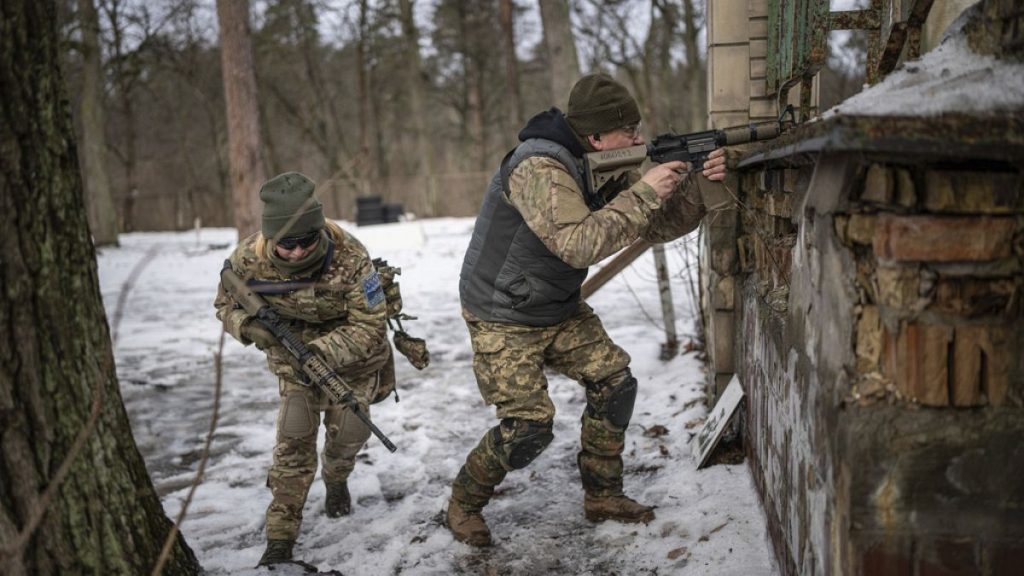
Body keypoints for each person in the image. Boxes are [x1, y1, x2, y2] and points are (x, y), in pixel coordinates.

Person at [446, 73, 728, 546]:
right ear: (596, 136)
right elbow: (578, 245)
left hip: (556, 304)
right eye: (629, 131)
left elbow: (653, 226)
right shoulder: (538, 168)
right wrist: (645, 191)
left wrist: (697, 183)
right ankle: (463, 502)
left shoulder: (601, 163)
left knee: (615, 383)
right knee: (528, 429)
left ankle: (603, 496)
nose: (638, 138)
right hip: (503, 314)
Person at [215, 172, 392, 568]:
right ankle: (280, 537)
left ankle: (336, 476)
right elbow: (225, 305)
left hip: (354, 361)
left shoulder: (351, 257)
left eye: (305, 241)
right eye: (286, 243)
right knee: (293, 443)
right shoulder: (248, 258)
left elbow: (369, 325)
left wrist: (318, 351)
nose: (296, 252)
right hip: (291, 363)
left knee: (350, 431)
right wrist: (249, 328)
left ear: (320, 231)